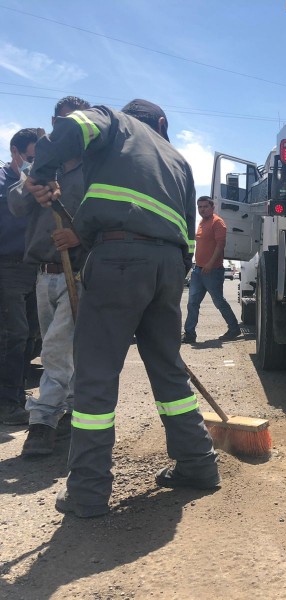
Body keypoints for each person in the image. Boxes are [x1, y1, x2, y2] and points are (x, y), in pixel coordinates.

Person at [29, 99, 219, 517]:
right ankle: (199, 465)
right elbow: (187, 231)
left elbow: (71, 126)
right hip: (168, 267)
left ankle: (88, 492)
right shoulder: (179, 160)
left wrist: (39, 172)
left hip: (118, 258)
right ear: (163, 124)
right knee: (169, 371)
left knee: (96, 376)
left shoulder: (113, 121)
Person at [7, 97, 91, 456]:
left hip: (79, 273)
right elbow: (14, 204)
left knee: (56, 349)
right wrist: (28, 187)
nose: (65, 128)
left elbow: (110, 215)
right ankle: (72, 412)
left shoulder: (95, 169)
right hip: (44, 274)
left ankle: (41, 423)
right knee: (60, 349)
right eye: (60, 122)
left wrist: (80, 234)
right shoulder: (44, 166)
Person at [0, 128, 41, 426]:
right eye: (29, 158)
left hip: (32, 269)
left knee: (28, 335)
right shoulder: (3, 181)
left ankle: (15, 394)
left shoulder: (35, 183)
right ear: (14, 153)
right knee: (11, 336)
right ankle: (6, 403)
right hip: (7, 268)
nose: (33, 165)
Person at [182, 196, 241, 343]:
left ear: (212, 207)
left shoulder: (217, 222)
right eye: (200, 207)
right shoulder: (201, 222)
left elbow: (220, 245)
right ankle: (190, 334)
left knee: (219, 301)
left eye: (205, 206)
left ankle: (234, 329)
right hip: (198, 270)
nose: (202, 209)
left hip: (212, 270)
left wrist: (210, 263)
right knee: (192, 303)